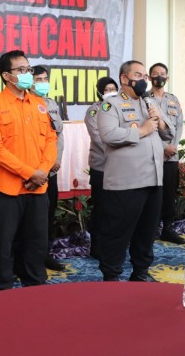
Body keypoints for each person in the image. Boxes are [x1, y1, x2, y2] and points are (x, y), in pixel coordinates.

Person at [0, 50, 57, 291]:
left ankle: (34, 287)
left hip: (37, 188)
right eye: (20, 70)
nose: (27, 74)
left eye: (28, 69)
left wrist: (41, 171)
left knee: (36, 244)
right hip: (5, 191)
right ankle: (1, 292)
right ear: (6, 75)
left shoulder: (40, 104)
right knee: (2, 246)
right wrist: (29, 173)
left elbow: (51, 140)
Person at [96, 60, 173, 282]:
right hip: (126, 182)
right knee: (118, 233)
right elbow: (108, 135)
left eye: (144, 76)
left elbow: (168, 133)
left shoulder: (149, 102)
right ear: (124, 78)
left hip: (153, 179)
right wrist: (142, 130)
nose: (143, 80)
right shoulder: (111, 105)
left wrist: (159, 122)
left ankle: (141, 272)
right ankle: (111, 276)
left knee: (147, 232)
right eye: (138, 75)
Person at [31, 65, 65, 272]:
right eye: (38, 79)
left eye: (45, 79)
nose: (43, 83)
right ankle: (28, 258)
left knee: (48, 214)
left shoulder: (51, 104)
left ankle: (45, 254)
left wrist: (56, 159)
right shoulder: (25, 104)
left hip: (50, 170)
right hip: (33, 172)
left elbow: (59, 135)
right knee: (31, 218)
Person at [149, 62, 185, 245]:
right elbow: (147, 127)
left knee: (170, 193)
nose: (159, 76)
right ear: (150, 77)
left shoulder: (173, 100)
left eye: (162, 73)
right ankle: (150, 229)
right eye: (155, 73)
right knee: (153, 193)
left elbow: (179, 125)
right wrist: (163, 146)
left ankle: (168, 229)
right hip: (152, 155)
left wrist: (172, 146)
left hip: (171, 156)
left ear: (167, 77)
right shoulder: (144, 99)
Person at [84, 76, 119, 259]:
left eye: (113, 89)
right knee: (101, 208)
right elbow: (98, 138)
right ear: (99, 92)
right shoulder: (93, 111)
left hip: (120, 168)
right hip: (101, 166)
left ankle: (113, 245)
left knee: (116, 209)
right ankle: (97, 247)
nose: (111, 92)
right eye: (107, 90)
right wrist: (121, 147)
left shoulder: (120, 107)